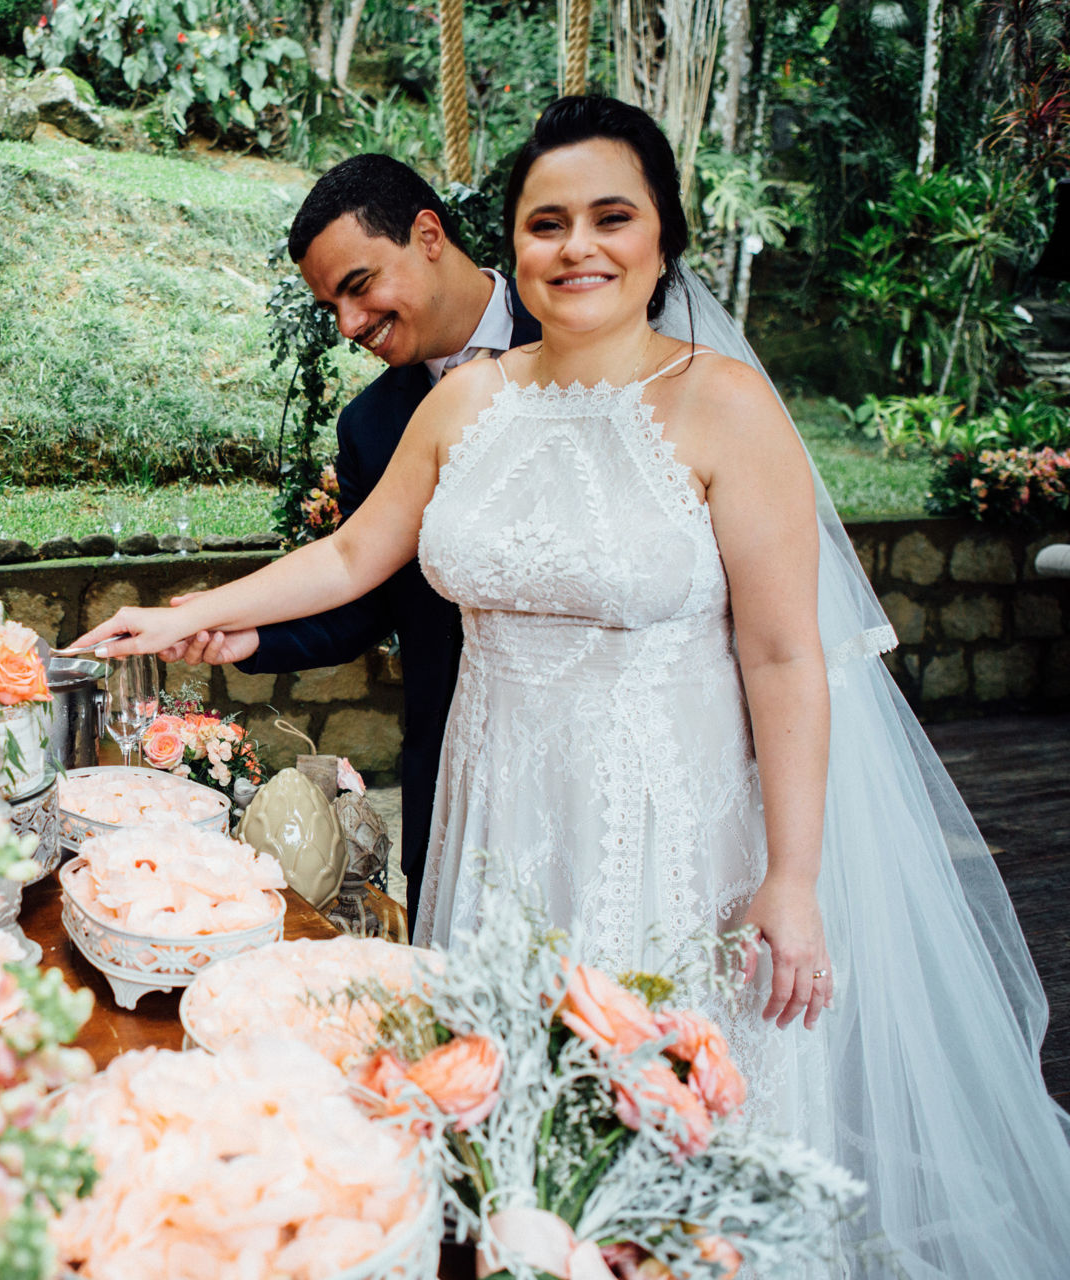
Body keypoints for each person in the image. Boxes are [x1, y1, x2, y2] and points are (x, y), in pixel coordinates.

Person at [77, 96, 1070, 1278]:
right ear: (515, 238)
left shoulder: (728, 407)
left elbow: (785, 656)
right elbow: (353, 554)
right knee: (507, 1121)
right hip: (498, 817)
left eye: (612, 216)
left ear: (661, 236)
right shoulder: (466, 400)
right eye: (548, 222)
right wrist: (196, 612)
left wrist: (792, 877)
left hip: (667, 829)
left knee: (665, 1130)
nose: (576, 246)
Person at [164, 153, 539, 937]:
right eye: (329, 304)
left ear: (428, 234)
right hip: (453, 763)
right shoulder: (372, 425)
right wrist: (251, 632)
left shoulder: (581, 334)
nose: (347, 325)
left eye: (359, 285)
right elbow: (365, 591)